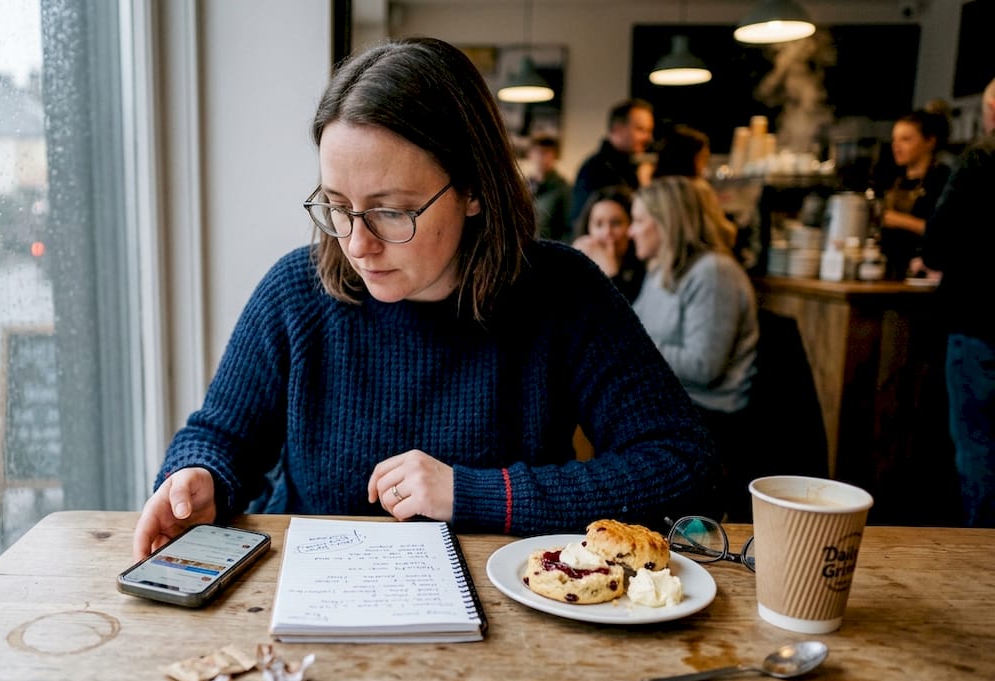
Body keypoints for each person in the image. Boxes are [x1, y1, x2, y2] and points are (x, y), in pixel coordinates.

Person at [133, 38, 716, 559]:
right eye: (336, 204)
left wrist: (476, 493)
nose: (357, 244)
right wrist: (197, 477)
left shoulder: (564, 291)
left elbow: (682, 463)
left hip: (515, 620)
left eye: (391, 210)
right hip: (313, 604)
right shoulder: (296, 291)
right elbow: (220, 436)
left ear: (472, 191)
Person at [629, 176, 758, 519]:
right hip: (673, 407)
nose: (631, 231)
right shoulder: (660, 271)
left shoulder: (714, 272)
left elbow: (705, 366)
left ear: (667, 221)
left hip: (710, 421)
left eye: (640, 220)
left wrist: (635, 347)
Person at [916, 78, 995, 528]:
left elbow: (937, 245)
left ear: (990, 110)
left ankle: (983, 556)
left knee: (979, 449)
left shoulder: (983, 156)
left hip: (981, 323)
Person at [879, 109, 952, 280]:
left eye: (906, 139)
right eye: (894, 140)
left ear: (930, 142)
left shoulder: (942, 180)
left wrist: (897, 220)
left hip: (922, 271)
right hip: (888, 268)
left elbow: (944, 232)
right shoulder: (893, 179)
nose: (896, 147)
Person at [570, 99, 654, 228]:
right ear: (617, 129)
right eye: (641, 129)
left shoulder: (632, 167)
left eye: (649, 131)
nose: (648, 137)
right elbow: (582, 223)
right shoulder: (595, 169)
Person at [570, 185, 645, 303]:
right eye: (599, 224)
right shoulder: (579, 270)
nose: (607, 232)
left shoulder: (644, 273)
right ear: (588, 228)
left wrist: (611, 271)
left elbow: (630, 316)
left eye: (616, 223)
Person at [526, 134, 573, 243]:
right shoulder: (523, 185)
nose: (541, 157)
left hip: (550, 248)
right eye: (537, 152)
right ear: (530, 154)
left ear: (554, 155)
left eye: (546, 152)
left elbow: (569, 228)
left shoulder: (563, 188)